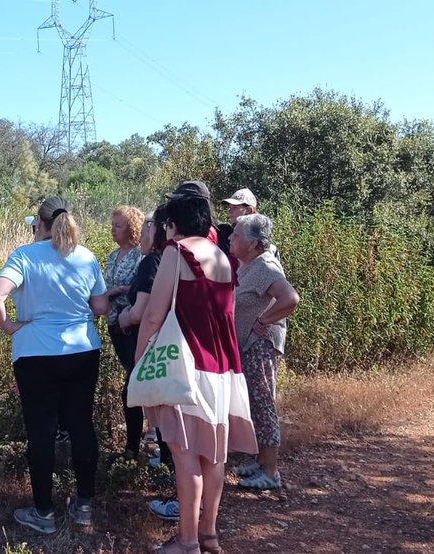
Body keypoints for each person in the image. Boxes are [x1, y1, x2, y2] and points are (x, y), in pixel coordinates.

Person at [136, 193, 257, 554]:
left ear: (172, 225)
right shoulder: (221, 254)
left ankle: (187, 542)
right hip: (222, 368)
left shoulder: (177, 252)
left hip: (185, 367)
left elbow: (154, 315)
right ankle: (209, 535)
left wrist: (141, 361)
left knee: (186, 456)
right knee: (213, 457)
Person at [0, 196, 109, 534]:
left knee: (40, 431)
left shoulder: (24, 256)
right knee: (82, 425)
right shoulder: (86, 257)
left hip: (36, 354)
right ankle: (84, 507)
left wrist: (10, 326)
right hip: (82, 351)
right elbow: (99, 307)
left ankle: (44, 513)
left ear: (38, 224)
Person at [229, 214, 299, 490]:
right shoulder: (248, 265)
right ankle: (260, 461)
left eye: (236, 235)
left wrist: (263, 321)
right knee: (254, 404)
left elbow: (290, 298)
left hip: (261, 346)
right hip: (248, 345)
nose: (230, 238)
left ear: (254, 243)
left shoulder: (265, 266)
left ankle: (271, 472)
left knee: (263, 403)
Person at [113, 207, 166, 460]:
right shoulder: (165, 259)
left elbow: (142, 311)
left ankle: (138, 453)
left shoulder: (149, 262)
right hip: (156, 338)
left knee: (137, 392)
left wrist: (126, 316)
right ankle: (160, 456)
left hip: (144, 337)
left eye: (146, 233)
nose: (141, 239)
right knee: (154, 395)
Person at [104, 206, 144, 455]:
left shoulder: (141, 256)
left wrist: (119, 291)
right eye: (113, 224)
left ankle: (133, 448)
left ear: (131, 229)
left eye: (118, 225)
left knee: (133, 384)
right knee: (131, 380)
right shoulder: (112, 255)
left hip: (133, 326)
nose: (113, 229)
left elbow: (143, 289)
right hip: (113, 324)